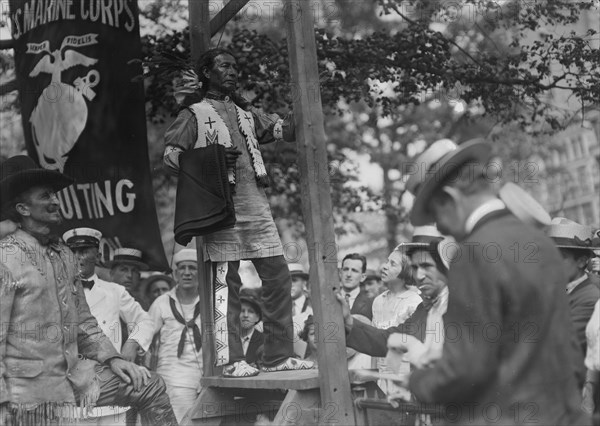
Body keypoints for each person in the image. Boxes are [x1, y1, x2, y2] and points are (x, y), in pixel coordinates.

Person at [397, 138, 587, 424]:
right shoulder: (542, 243)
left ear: (450, 198)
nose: (441, 227)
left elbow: (466, 370)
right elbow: (569, 352)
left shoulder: (472, 254)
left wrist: (417, 383)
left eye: (436, 216)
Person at [163, 48, 312, 377]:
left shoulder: (247, 113)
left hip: (256, 206)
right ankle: (230, 360)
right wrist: (212, 159)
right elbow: (171, 157)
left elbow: (281, 131)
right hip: (220, 209)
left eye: (234, 67)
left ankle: (277, 355)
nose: (232, 72)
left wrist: (306, 102)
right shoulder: (194, 114)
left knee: (278, 276)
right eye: (223, 66)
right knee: (223, 286)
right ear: (206, 73)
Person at [0, 155, 177, 426]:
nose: (56, 201)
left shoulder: (64, 255)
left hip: (76, 380)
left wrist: (114, 359)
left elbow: (84, 322)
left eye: (55, 195)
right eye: (46, 196)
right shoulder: (7, 257)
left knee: (147, 384)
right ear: (23, 208)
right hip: (27, 392)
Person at [63, 227, 157, 425]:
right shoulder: (58, 291)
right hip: (73, 385)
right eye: (73, 252)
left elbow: (145, 320)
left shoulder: (114, 291)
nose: (78, 257)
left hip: (111, 381)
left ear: (97, 255)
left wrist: (132, 342)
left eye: (84, 251)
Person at [372, 227, 438, 398]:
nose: (385, 267)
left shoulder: (415, 301)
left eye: (392, 264)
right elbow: (383, 337)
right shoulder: (380, 301)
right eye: (387, 262)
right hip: (387, 373)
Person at [148, 249, 203, 422]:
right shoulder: (162, 302)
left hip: (203, 378)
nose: (187, 273)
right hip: (172, 378)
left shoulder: (209, 302)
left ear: (200, 272)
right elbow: (144, 336)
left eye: (192, 268)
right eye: (183, 268)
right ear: (176, 273)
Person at [547, 217, 600, 357]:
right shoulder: (559, 290)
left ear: (582, 261)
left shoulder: (590, 299)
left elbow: (558, 345)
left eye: (561, 256)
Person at [340, 253, 374, 320]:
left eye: (354, 271)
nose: (348, 274)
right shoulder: (328, 298)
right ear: (340, 273)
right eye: (346, 269)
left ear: (363, 277)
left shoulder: (372, 304)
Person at [239, 287, 265, 367]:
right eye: (242, 311)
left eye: (250, 312)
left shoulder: (264, 342)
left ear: (257, 317)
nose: (245, 315)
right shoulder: (228, 340)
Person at [289, 263, 313, 334]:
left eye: (294, 280)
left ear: (304, 283)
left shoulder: (313, 305)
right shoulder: (279, 307)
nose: (290, 284)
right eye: (286, 281)